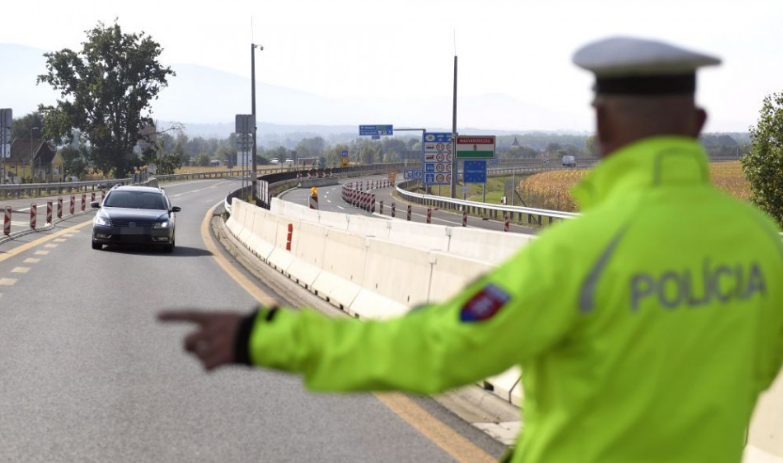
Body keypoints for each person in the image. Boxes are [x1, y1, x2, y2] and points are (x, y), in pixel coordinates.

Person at [159, 37, 783, 463]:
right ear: (699, 124)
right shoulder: (760, 246)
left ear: (603, 127)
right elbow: (758, 371)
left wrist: (262, 339)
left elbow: (438, 349)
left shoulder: (577, 255)